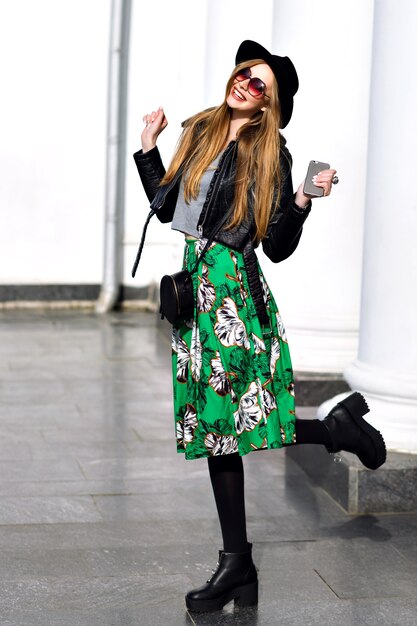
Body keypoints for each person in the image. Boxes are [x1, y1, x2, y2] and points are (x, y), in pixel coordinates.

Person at [133, 40, 386, 613]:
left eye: (259, 84)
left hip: (234, 295)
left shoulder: (272, 151)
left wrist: (301, 199)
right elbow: (171, 210)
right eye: (245, 72)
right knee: (216, 426)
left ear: (269, 106)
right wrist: (148, 151)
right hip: (196, 291)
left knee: (231, 424)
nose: (246, 83)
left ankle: (236, 563)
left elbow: (275, 245)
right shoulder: (199, 129)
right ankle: (330, 438)